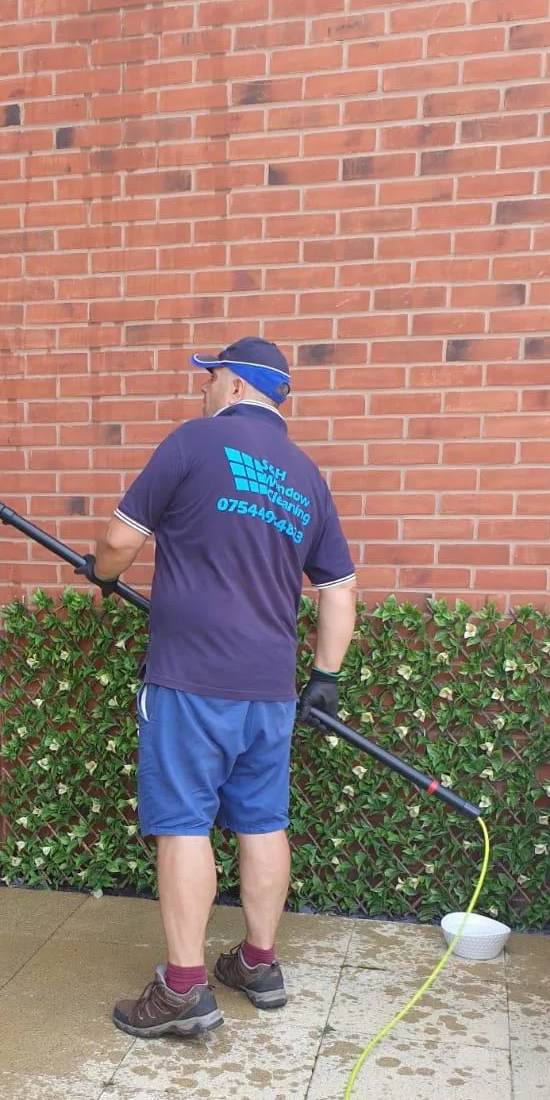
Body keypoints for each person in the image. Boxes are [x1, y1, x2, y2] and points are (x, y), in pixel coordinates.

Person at [87, 336, 358, 1039]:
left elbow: (117, 543)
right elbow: (339, 589)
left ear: (235, 386)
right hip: (269, 691)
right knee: (263, 821)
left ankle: (182, 990)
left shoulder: (193, 444)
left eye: (210, 380)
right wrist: (323, 678)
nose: (201, 391)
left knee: (183, 824)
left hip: (191, 681)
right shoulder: (305, 475)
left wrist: (105, 576)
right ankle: (259, 964)